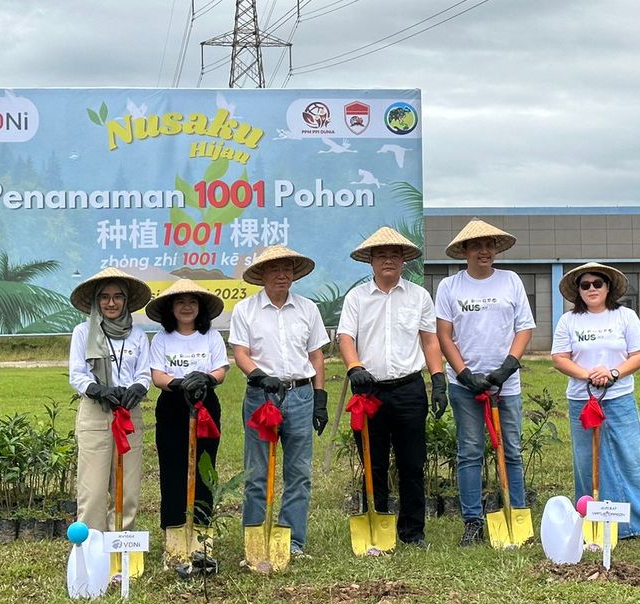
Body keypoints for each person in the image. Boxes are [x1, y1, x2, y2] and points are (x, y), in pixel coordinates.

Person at [550, 262, 640, 540]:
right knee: (587, 463)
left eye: (596, 284)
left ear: (608, 287)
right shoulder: (569, 321)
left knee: (633, 458)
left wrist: (613, 373)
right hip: (582, 401)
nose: (591, 289)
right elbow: (559, 358)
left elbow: (639, 355)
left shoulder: (625, 316)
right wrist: (587, 374)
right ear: (578, 290)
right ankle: (597, 526)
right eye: (584, 285)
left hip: (619, 397)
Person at [336, 226, 447, 550]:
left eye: (394, 254)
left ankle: (413, 532)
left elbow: (429, 339)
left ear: (403, 260)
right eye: (381, 254)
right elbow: (346, 337)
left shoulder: (418, 296)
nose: (388, 260)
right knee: (374, 463)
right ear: (371, 260)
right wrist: (354, 367)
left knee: (412, 463)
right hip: (368, 393)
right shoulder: (357, 297)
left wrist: (438, 379)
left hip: (410, 390)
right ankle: (376, 522)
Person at [434, 219, 535, 546]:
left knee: (512, 451)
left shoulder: (511, 281)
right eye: (477, 246)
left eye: (489, 245)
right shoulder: (450, 287)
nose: (484, 251)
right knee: (471, 451)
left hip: (506, 384)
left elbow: (524, 328)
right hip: (465, 386)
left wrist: (507, 367)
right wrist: (464, 374)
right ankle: (473, 521)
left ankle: (516, 511)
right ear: (464, 251)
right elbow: (444, 335)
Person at [228, 245, 329, 558]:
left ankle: (292, 542)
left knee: (299, 473)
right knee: (256, 473)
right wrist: (259, 376)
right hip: (262, 396)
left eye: (287, 269)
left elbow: (316, 356)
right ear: (262, 275)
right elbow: (240, 354)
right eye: (274, 269)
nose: (282, 275)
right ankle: (255, 544)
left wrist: (320, 397)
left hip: (300, 395)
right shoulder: (246, 310)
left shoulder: (307, 309)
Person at [67, 268, 154, 534]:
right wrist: (98, 390)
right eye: (104, 297)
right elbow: (77, 374)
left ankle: (122, 549)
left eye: (118, 296)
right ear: (96, 301)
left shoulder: (137, 335)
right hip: (95, 413)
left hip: (129, 414)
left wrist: (138, 388)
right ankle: (91, 548)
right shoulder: (83, 332)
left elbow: (143, 373)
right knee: (92, 491)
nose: (111, 303)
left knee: (126, 489)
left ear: (126, 301)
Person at [145, 278, 229, 546]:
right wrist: (178, 383)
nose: (186, 307)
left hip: (205, 406)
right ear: (170, 308)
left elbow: (221, 371)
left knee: (205, 468)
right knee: (172, 470)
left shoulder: (211, 336)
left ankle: (203, 538)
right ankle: (175, 538)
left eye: (192, 302)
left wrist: (206, 380)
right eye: (180, 302)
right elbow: (157, 376)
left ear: (200, 308)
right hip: (172, 407)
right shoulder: (161, 339)